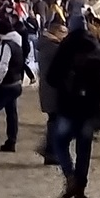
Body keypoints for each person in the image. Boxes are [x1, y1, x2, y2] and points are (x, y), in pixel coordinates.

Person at [46, 12, 100, 198]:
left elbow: (51, 77)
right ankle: (80, 189)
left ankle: (70, 176)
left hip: (68, 105)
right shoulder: (97, 47)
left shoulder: (66, 46)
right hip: (90, 107)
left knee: (59, 141)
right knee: (84, 147)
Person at [0, 18, 26, 153]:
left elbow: (3, 66)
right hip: (16, 83)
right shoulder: (17, 43)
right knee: (11, 113)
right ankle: (11, 142)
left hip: (5, 85)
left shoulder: (5, 45)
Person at [34, 19, 68, 165]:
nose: (66, 36)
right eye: (64, 33)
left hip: (49, 90)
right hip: (53, 91)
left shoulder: (46, 45)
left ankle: (49, 149)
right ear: (56, 32)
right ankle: (50, 151)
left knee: (53, 121)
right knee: (55, 122)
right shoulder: (53, 48)